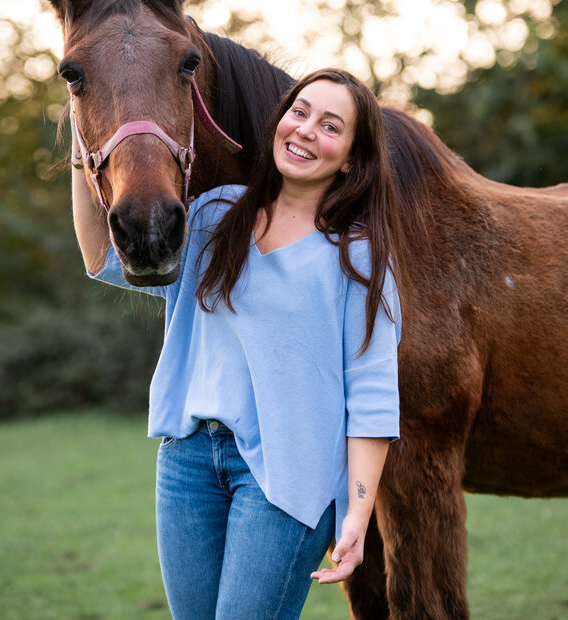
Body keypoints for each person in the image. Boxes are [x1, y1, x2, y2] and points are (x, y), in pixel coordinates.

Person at [71, 68, 403, 620]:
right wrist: (84, 145)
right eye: (300, 112)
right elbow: (102, 257)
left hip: (289, 477)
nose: (306, 130)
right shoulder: (213, 214)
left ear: (350, 157)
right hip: (188, 463)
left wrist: (358, 514)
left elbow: (372, 396)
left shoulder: (359, 257)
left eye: (330, 126)